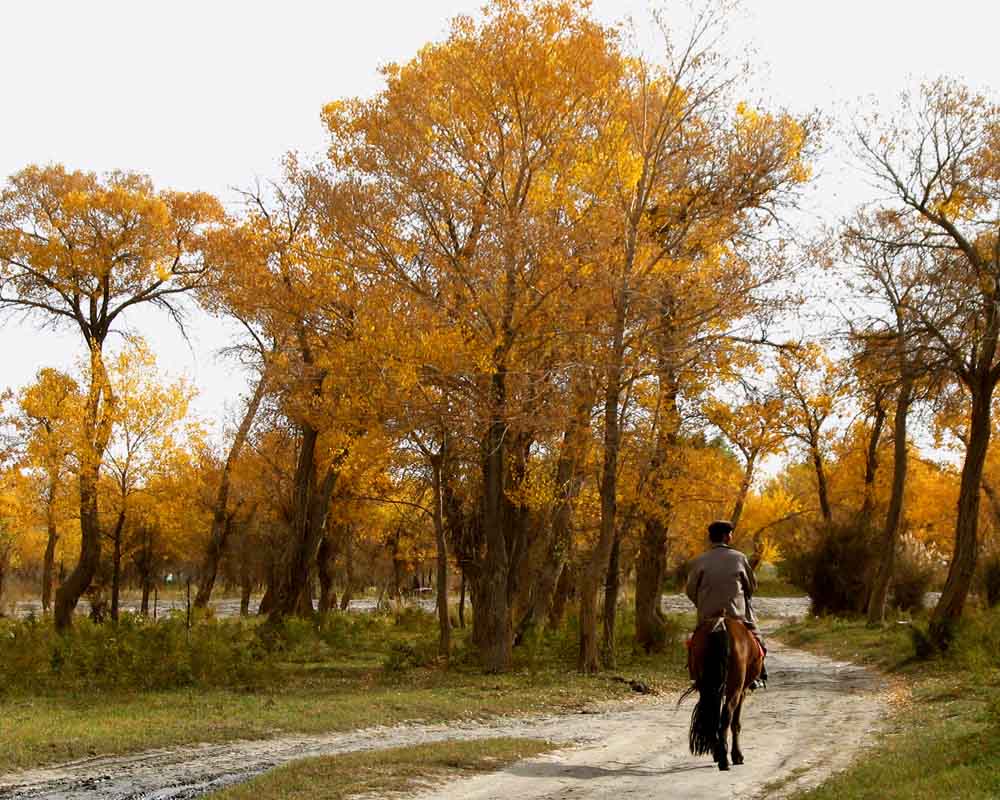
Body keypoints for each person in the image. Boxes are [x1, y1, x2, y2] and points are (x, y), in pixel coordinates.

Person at [685, 519, 768, 688]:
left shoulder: (699, 560)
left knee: (693, 643)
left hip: (707, 617)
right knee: (759, 642)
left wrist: (703, 603)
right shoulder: (739, 558)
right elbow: (751, 587)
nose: (731, 536)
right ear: (726, 537)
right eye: (730, 533)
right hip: (735, 615)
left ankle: (695, 675)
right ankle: (757, 675)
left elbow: (690, 590)